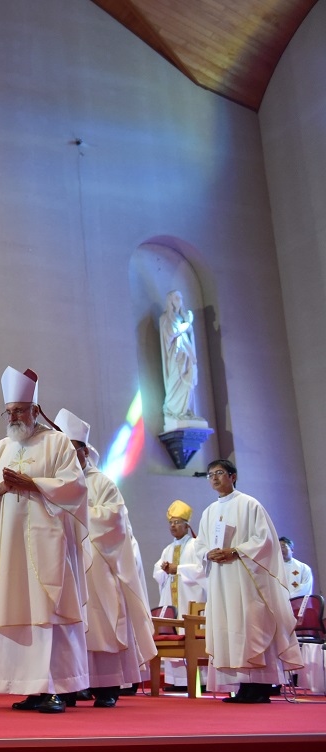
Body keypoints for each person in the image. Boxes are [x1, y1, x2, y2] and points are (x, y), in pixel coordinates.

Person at [0, 367, 88, 714]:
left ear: (35, 411)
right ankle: (31, 687)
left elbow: (75, 486)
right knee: (19, 607)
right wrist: (2, 486)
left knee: (48, 610)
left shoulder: (57, 443)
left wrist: (34, 484)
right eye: (9, 412)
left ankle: (55, 688)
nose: (13, 418)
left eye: (19, 411)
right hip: (12, 547)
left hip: (48, 543)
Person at [56, 409, 155, 708]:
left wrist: (77, 515)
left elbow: (114, 520)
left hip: (98, 564)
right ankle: (72, 685)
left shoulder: (102, 483)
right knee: (69, 625)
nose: (67, 457)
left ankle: (107, 687)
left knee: (101, 622)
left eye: (72, 450)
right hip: (67, 564)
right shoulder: (58, 482)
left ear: (85, 451)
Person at [196, 459, 302, 703]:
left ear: (232, 476)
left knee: (252, 626)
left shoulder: (249, 504)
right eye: (210, 474)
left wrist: (235, 551)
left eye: (219, 473)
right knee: (232, 627)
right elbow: (200, 544)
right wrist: (207, 554)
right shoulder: (209, 512)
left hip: (247, 578)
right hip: (222, 579)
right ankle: (244, 685)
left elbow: (265, 540)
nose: (214, 478)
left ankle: (261, 687)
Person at [152, 499, 207, 688]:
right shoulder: (168, 549)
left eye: (177, 522)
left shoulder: (196, 545)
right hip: (172, 598)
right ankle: (177, 681)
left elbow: (202, 570)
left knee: (190, 635)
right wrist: (164, 569)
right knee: (173, 632)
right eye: (171, 523)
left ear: (187, 525)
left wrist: (179, 569)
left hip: (190, 598)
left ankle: (199, 681)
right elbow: (157, 571)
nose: (173, 526)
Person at [159, 290, 202, 429]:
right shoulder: (165, 318)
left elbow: (189, 334)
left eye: (181, 298)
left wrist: (188, 324)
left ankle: (185, 410)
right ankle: (174, 410)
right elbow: (172, 332)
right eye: (177, 298)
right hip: (176, 356)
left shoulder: (182, 317)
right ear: (170, 301)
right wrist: (188, 323)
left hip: (187, 354)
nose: (180, 300)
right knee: (176, 379)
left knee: (189, 379)